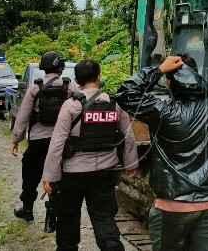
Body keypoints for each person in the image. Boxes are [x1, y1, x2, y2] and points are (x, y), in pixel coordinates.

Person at [113, 54, 208, 251]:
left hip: (172, 208)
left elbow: (125, 94)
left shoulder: (163, 111)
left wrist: (158, 69)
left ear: (168, 80)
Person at [42, 59, 138, 251]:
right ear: (99, 76)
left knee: (68, 217)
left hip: (73, 174)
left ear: (77, 80)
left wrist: (49, 175)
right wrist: (131, 164)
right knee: (104, 217)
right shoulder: (114, 105)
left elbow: (57, 143)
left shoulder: (70, 106)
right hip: (104, 172)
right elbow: (128, 137)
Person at [10, 51, 80, 222]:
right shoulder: (69, 87)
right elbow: (81, 109)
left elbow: (23, 116)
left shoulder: (35, 87)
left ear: (43, 68)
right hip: (61, 141)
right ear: (60, 68)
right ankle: (54, 213)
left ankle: (27, 209)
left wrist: (16, 139)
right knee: (57, 177)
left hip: (37, 141)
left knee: (30, 175)